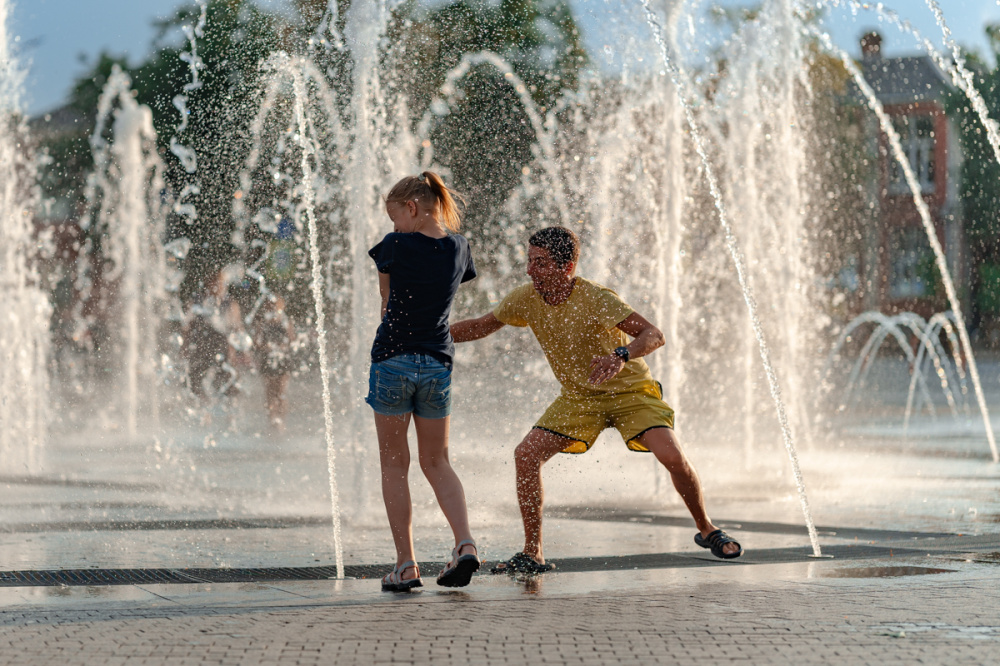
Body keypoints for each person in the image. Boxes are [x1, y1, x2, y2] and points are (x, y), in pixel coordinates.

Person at [450, 226, 742, 574]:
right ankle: (533, 552)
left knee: (673, 457)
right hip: (580, 398)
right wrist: (425, 334)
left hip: (630, 393)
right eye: (529, 261)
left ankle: (706, 528)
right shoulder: (525, 298)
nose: (530, 270)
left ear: (566, 267)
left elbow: (654, 334)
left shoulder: (596, 298)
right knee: (525, 455)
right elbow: (480, 326)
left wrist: (621, 355)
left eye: (540, 263)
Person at [367, 171, 481, 591]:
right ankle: (465, 545)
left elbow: (386, 301)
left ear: (411, 208)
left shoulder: (395, 245)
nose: (394, 225)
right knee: (438, 462)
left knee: (395, 464)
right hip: (438, 364)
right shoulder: (460, 247)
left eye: (395, 216)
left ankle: (406, 565)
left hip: (393, 361)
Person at [251, 295, 296, 432]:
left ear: (281, 306)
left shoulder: (285, 321)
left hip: (282, 359)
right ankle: (272, 419)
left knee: (281, 391)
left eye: (275, 305)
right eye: (270, 305)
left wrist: (281, 346)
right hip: (267, 359)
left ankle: (281, 419)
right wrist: (266, 347)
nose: (272, 307)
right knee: (270, 392)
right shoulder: (263, 322)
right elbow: (256, 343)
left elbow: (292, 340)